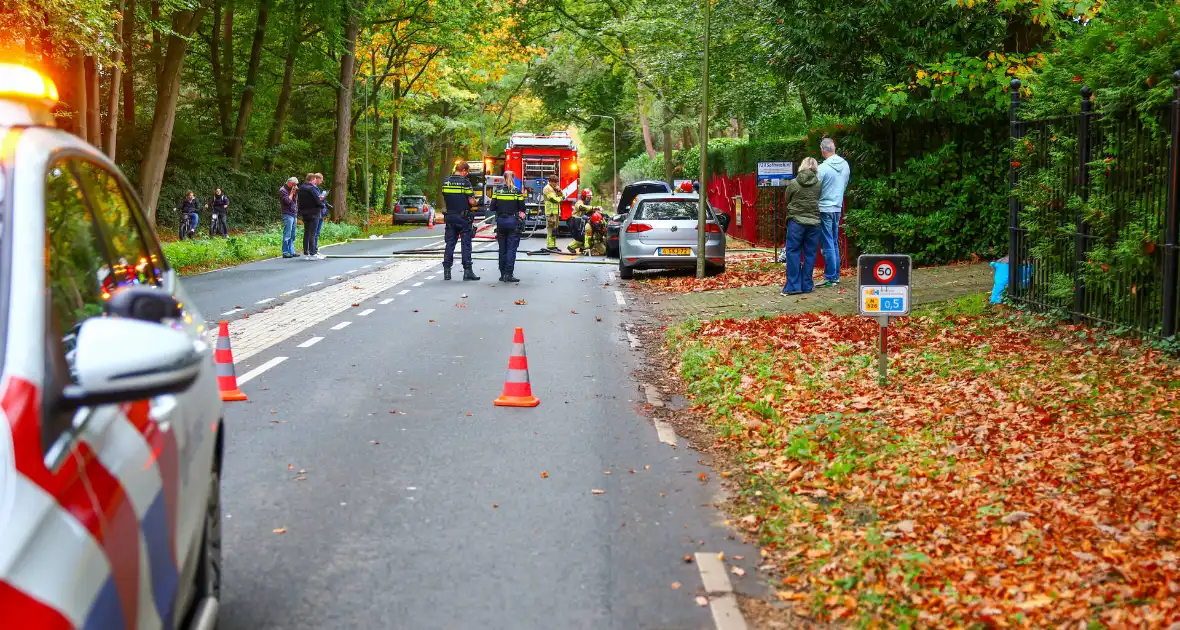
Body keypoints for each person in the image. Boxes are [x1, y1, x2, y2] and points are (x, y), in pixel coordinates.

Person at [781, 157, 823, 296]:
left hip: (796, 222)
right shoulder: (819, 184)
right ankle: (807, 285)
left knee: (793, 252)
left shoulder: (793, 183)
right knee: (810, 254)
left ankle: (793, 286)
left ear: (802, 166)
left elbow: (787, 199)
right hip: (814, 223)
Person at [816, 137, 851, 287]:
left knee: (828, 242)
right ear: (834, 148)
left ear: (823, 150)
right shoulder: (845, 165)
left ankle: (830, 276)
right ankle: (835, 276)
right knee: (834, 241)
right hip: (837, 207)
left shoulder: (822, 168)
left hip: (824, 208)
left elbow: (815, 188)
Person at [440, 160, 480, 281]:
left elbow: (446, 196)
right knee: (466, 244)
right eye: (466, 172)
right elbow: (472, 202)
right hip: (463, 218)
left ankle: (447, 272)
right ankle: (467, 271)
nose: (467, 175)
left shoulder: (446, 181)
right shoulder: (465, 182)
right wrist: (477, 201)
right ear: (463, 171)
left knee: (450, 243)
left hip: (450, 217)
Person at [491, 169, 526, 282]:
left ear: (503, 178)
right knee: (511, 249)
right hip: (513, 222)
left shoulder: (497, 191)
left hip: (501, 222)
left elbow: (492, 207)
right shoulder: (517, 191)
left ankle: (502, 274)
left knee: (502, 249)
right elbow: (522, 207)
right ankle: (509, 274)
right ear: (514, 178)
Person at [297, 173, 324, 260]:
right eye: (314, 180)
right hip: (314, 213)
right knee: (313, 233)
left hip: (305, 213)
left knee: (306, 232)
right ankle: (312, 253)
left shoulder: (301, 188)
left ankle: (306, 252)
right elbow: (317, 201)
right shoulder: (311, 189)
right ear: (312, 179)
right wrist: (322, 205)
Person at [567, 188, 596, 254]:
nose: (589, 199)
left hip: (578, 222)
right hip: (573, 222)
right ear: (583, 196)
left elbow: (589, 212)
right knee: (581, 236)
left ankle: (582, 248)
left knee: (585, 235)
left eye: (590, 197)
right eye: (588, 197)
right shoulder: (579, 202)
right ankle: (571, 247)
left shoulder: (587, 203)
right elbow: (581, 207)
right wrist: (592, 208)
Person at [279, 177, 299, 258]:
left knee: (293, 234)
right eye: (294, 184)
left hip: (294, 213)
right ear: (290, 183)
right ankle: (285, 252)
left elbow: (296, 201)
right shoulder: (283, 190)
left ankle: (292, 251)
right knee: (287, 233)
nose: (295, 186)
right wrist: (291, 193)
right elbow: (287, 201)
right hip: (287, 214)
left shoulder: (293, 189)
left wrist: (295, 193)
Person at [542, 174, 563, 251]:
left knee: (555, 230)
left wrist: (559, 190)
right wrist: (560, 198)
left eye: (556, 183)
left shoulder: (554, 188)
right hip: (550, 212)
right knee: (550, 229)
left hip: (556, 212)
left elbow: (563, 196)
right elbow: (554, 199)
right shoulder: (547, 188)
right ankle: (549, 246)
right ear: (550, 182)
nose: (556, 184)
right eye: (554, 182)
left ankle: (553, 245)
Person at [313, 172, 328, 254]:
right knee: (315, 232)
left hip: (321, 212)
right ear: (317, 179)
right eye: (321, 180)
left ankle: (315, 248)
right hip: (317, 212)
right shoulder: (313, 188)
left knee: (317, 233)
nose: (321, 182)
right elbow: (317, 200)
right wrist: (321, 197)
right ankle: (314, 250)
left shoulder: (316, 188)